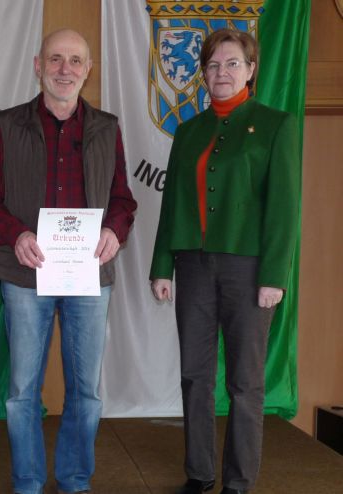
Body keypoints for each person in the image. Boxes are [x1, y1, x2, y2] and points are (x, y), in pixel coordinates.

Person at [0, 28, 137, 494]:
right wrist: (17, 234)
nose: (66, 69)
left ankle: (75, 480)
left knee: (86, 390)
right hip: (27, 274)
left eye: (76, 60)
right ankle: (27, 481)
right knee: (23, 390)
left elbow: (123, 199)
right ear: (38, 65)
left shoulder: (107, 127)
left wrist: (114, 230)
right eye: (56, 59)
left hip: (90, 275)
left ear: (88, 70)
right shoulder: (7, 125)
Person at [149, 29, 301, 494]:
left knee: (245, 382)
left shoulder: (276, 125)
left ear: (251, 70)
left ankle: (239, 481)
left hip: (249, 270)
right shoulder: (189, 131)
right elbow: (173, 203)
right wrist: (162, 265)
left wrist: (274, 276)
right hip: (193, 267)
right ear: (203, 73)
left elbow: (284, 208)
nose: (222, 72)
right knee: (194, 376)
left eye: (232, 63)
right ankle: (199, 473)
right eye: (213, 65)